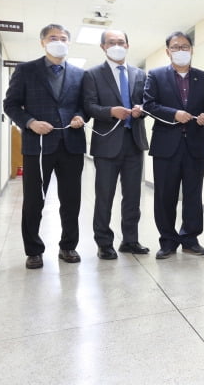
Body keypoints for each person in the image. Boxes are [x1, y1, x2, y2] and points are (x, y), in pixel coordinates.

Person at [3, 23, 87, 269]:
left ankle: (68, 246)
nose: (58, 41)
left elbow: (84, 105)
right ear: (42, 42)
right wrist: (30, 122)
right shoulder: (26, 70)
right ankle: (33, 250)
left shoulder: (80, 74)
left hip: (71, 144)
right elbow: (10, 105)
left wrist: (80, 117)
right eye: (53, 37)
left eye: (63, 38)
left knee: (71, 200)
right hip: (38, 146)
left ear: (69, 43)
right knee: (33, 201)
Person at [143, 31, 204, 259]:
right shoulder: (156, 76)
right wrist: (174, 114)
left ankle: (190, 238)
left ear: (192, 49)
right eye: (175, 47)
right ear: (168, 52)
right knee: (165, 195)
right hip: (166, 146)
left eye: (185, 47)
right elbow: (149, 105)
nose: (180, 51)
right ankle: (167, 241)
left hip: (195, 144)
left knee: (193, 195)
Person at [83, 30, 150, 260]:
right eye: (111, 43)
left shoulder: (139, 74)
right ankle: (104, 242)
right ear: (103, 47)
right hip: (107, 146)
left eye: (121, 42)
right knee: (105, 196)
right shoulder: (92, 74)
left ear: (128, 45)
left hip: (134, 143)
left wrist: (141, 110)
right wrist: (110, 111)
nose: (117, 46)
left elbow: (146, 103)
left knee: (132, 197)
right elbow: (89, 106)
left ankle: (130, 240)